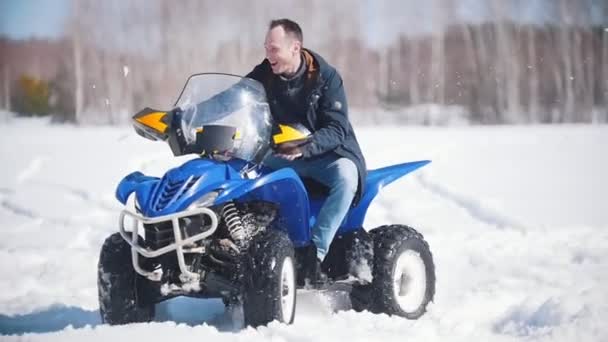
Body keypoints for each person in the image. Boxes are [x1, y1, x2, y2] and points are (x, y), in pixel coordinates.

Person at [245, 19, 367, 274]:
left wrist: (304, 148)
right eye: (266, 48)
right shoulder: (265, 73)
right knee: (240, 169)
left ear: (295, 47)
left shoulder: (326, 77)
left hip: (327, 154)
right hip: (281, 152)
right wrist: (185, 115)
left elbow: (337, 128)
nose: (268, 55)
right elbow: (233, 98)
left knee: (346, 177)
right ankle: (239, 244)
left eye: (274, 49)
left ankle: (314, 256)